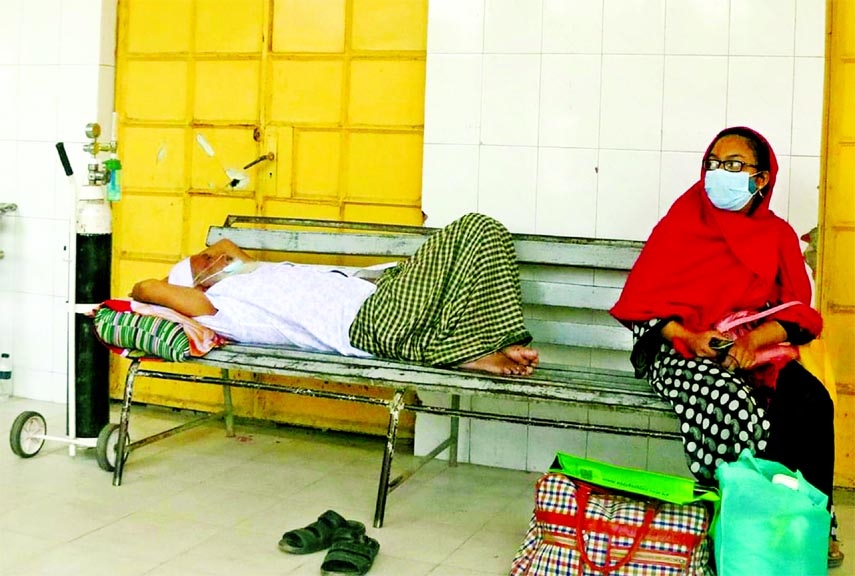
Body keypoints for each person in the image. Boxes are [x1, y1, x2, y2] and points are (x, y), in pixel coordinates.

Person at [609, 126, 842, 568]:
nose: (719, 173)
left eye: (734, 165)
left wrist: (755, 340)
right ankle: (751, 522)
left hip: (753, 348)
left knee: (811, 401)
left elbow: (797, 312)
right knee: (733, 403)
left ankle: (811, 520)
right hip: (681, 348)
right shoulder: (681, 222)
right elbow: (645, 307)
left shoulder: (778, 235)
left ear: (761, 179)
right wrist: (691, 337)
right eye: (714, 163)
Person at [132, 212, 539, 377]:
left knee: (485, 237)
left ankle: (477, 348)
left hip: (385, 295)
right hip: (370, 321)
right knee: (474, 228)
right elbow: (145, 289)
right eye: (206, 260)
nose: (217, 256)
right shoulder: (221, 307)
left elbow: (228, 246)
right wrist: (188, 278)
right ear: (197, 284)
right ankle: (478, 351)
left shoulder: (256, 274)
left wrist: (217, 261)